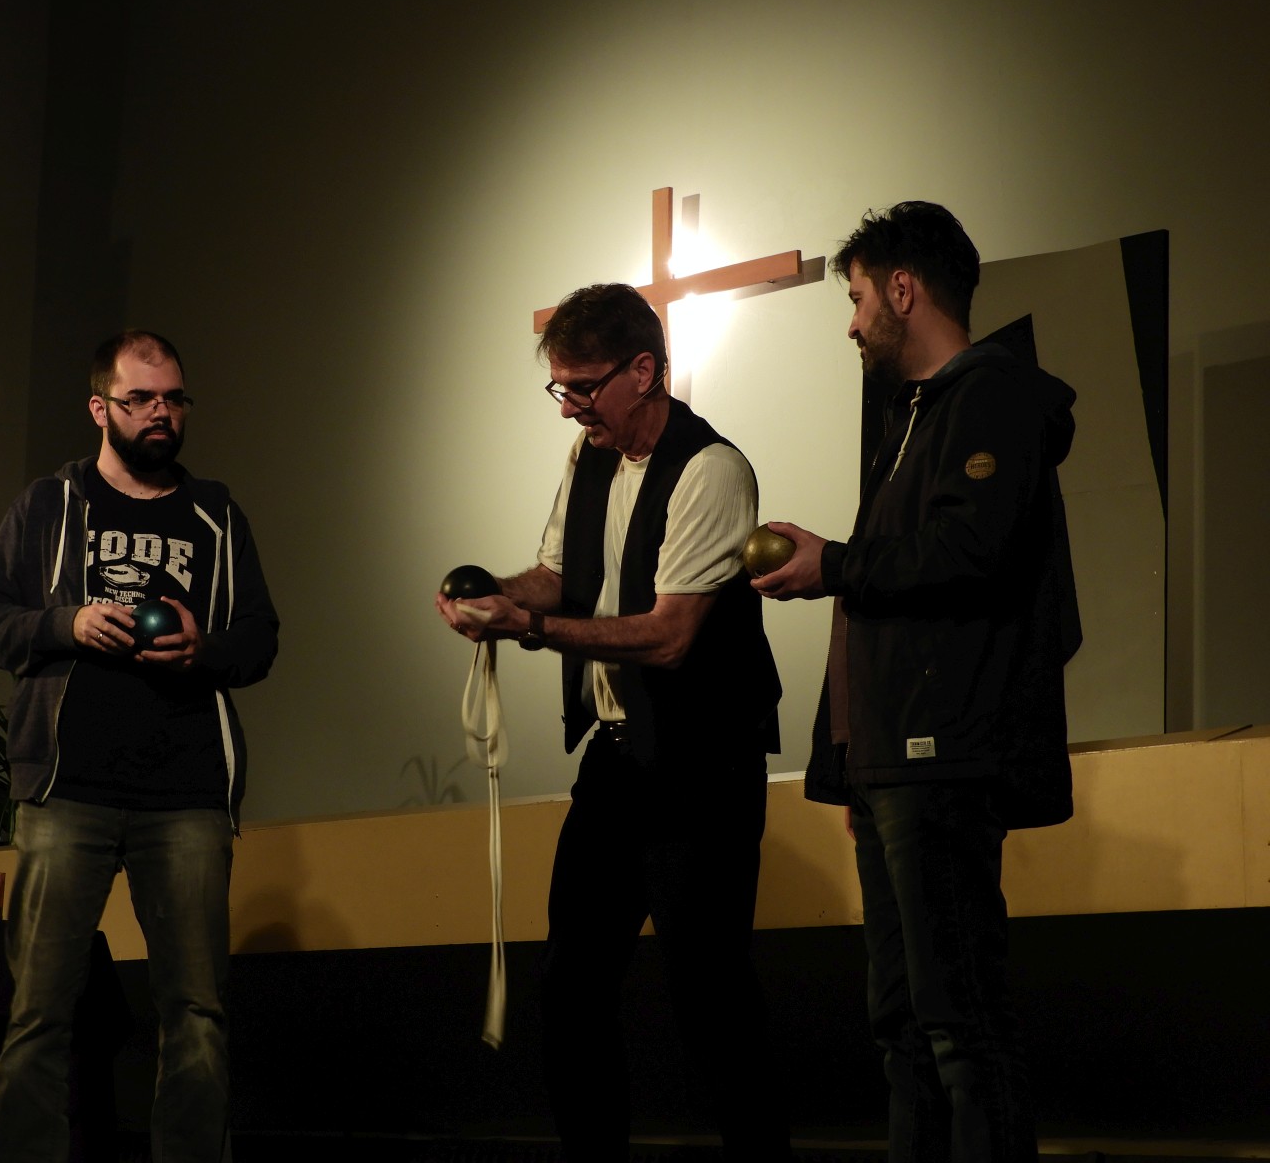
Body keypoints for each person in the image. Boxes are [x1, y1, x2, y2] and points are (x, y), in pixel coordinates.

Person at [752, 201, 1080, 1162]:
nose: (852, 324)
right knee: (904, 1031)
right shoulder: (914, 417)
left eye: (857, 298)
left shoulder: (991, 399)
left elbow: (970, 553)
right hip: (893, 766)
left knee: (959, 1027)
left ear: (903, 289)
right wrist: (855, 767)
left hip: (941, 763)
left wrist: (833, 562)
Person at [436, 283, 790, 1161]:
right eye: (560, 388)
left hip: (703, 765)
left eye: (584, 387)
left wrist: (529, 627)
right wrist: (491, 594)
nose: (570, 408)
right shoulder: (589, 458)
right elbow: (561, 575)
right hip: (620, 761)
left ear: (644, 371)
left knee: (709, 995)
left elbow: (669, 638)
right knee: (570, 984)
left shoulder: (711, 470)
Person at [0, 330, 279, 1163]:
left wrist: (203, 648)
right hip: (67, 791)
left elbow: (261, 639)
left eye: (173, 398)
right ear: (101, 408)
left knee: (197, 1014)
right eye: (141, 399)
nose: (161, 413)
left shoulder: (216, 514)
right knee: (39, 1013)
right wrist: (66, 624)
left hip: (186, 797)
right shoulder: (48, 505)